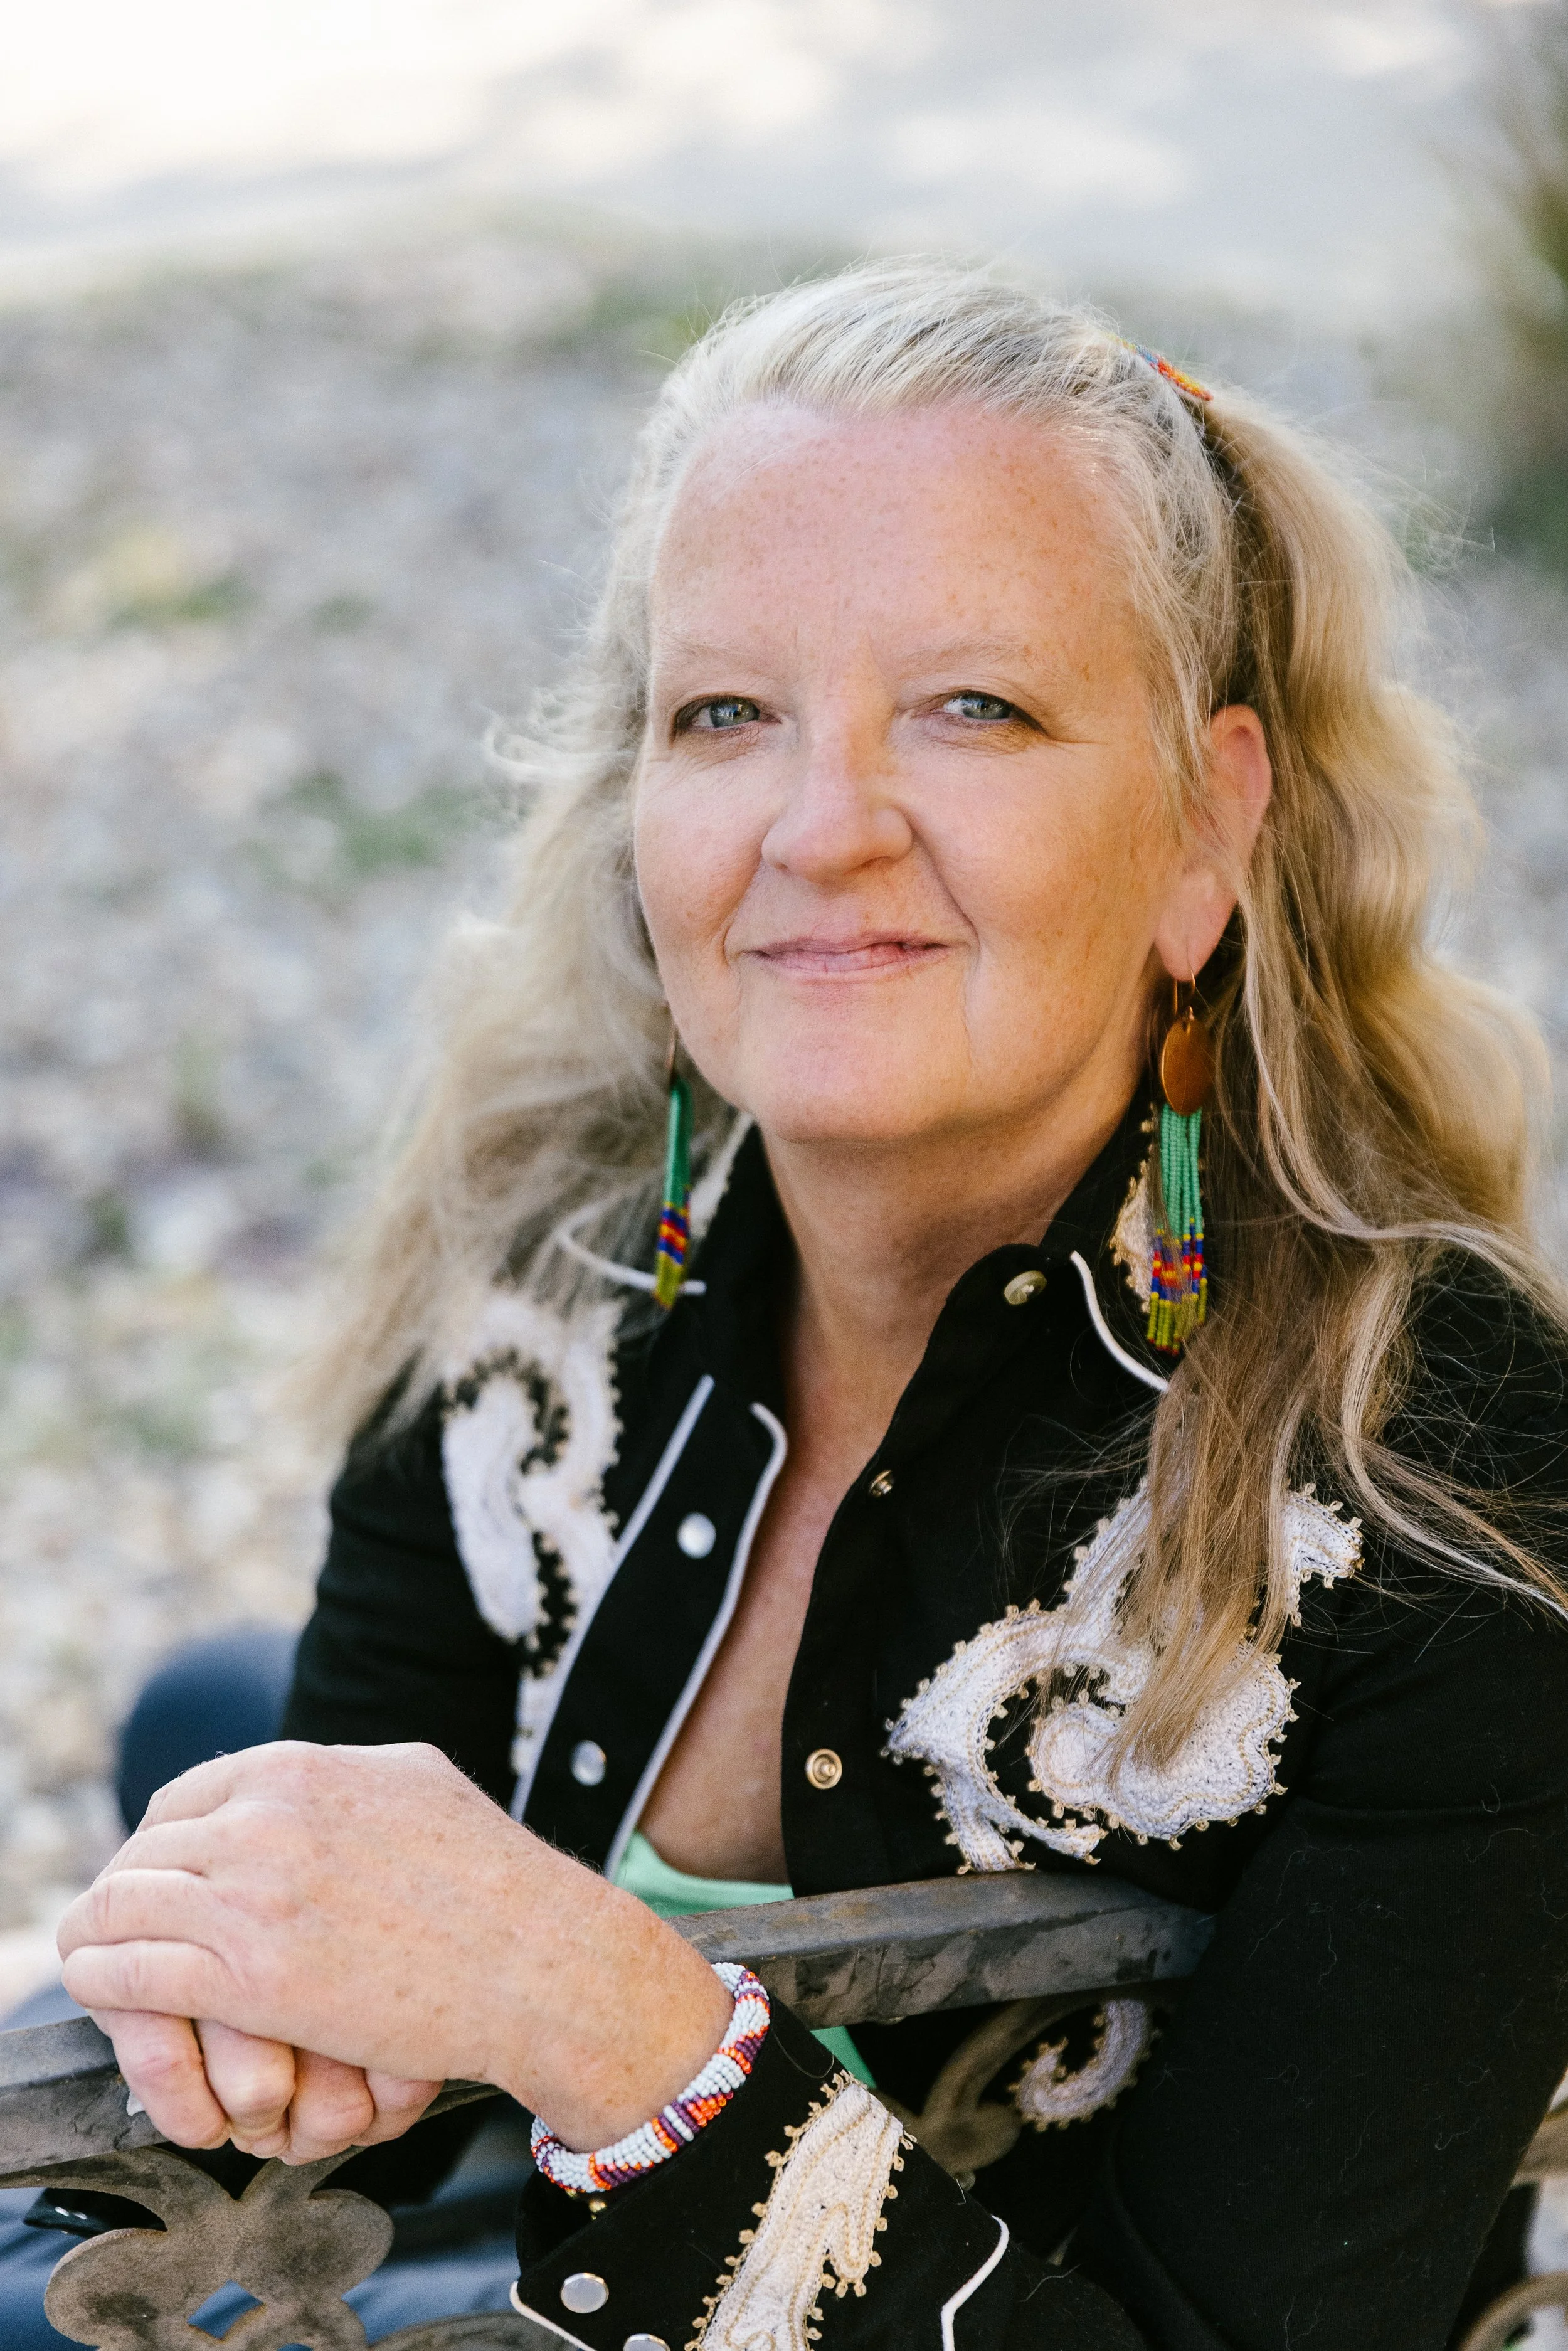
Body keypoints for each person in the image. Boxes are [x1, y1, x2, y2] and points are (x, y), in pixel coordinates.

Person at [46, 264, 1568, 2350]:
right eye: (725, 714)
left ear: (1205, 827)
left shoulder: (1450, 1498)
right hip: (547, 2239)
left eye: (974, 706)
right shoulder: (541, 1267)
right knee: (203, 1762)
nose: (820, 825)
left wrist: (603, 2014)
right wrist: (252, 2004)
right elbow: (325, 2133)